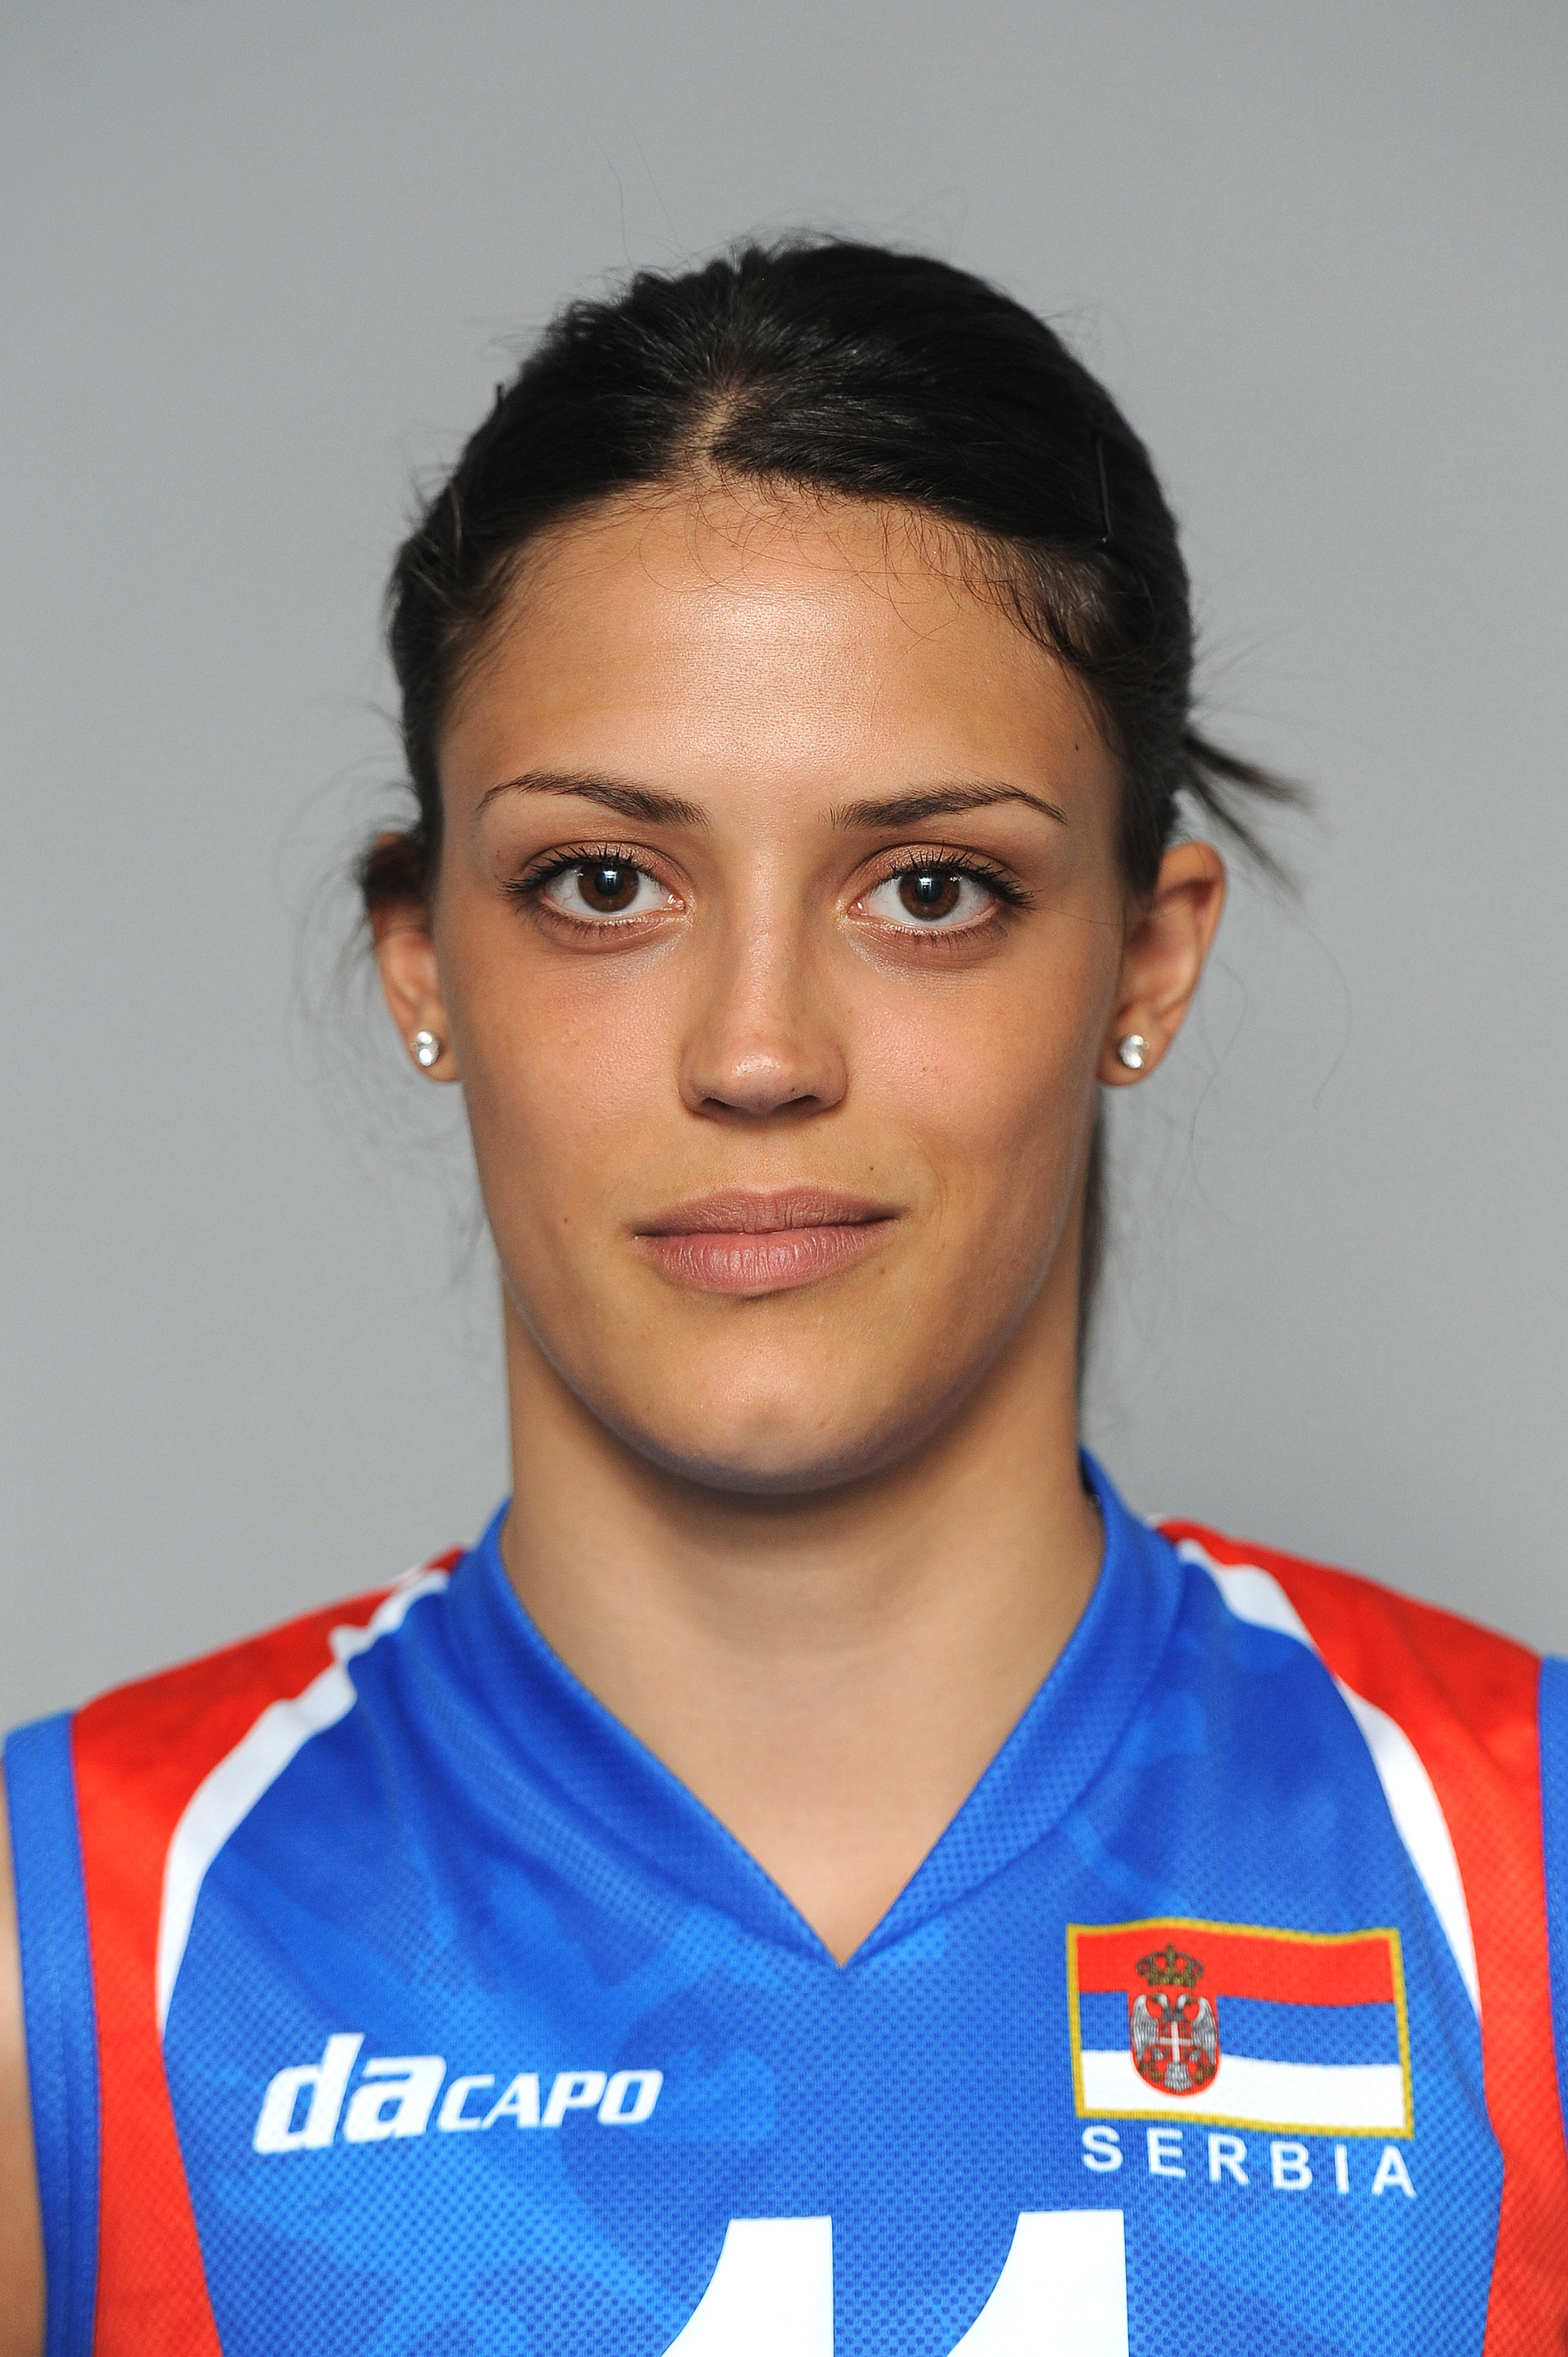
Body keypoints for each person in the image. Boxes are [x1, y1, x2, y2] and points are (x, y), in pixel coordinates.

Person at [2, 238, 1563, 2357]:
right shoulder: (67, 1949)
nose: (755, 1050)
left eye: (929, 889)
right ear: (425, 963)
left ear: (1144, 957)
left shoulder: (1519, 1881)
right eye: (602, 883)